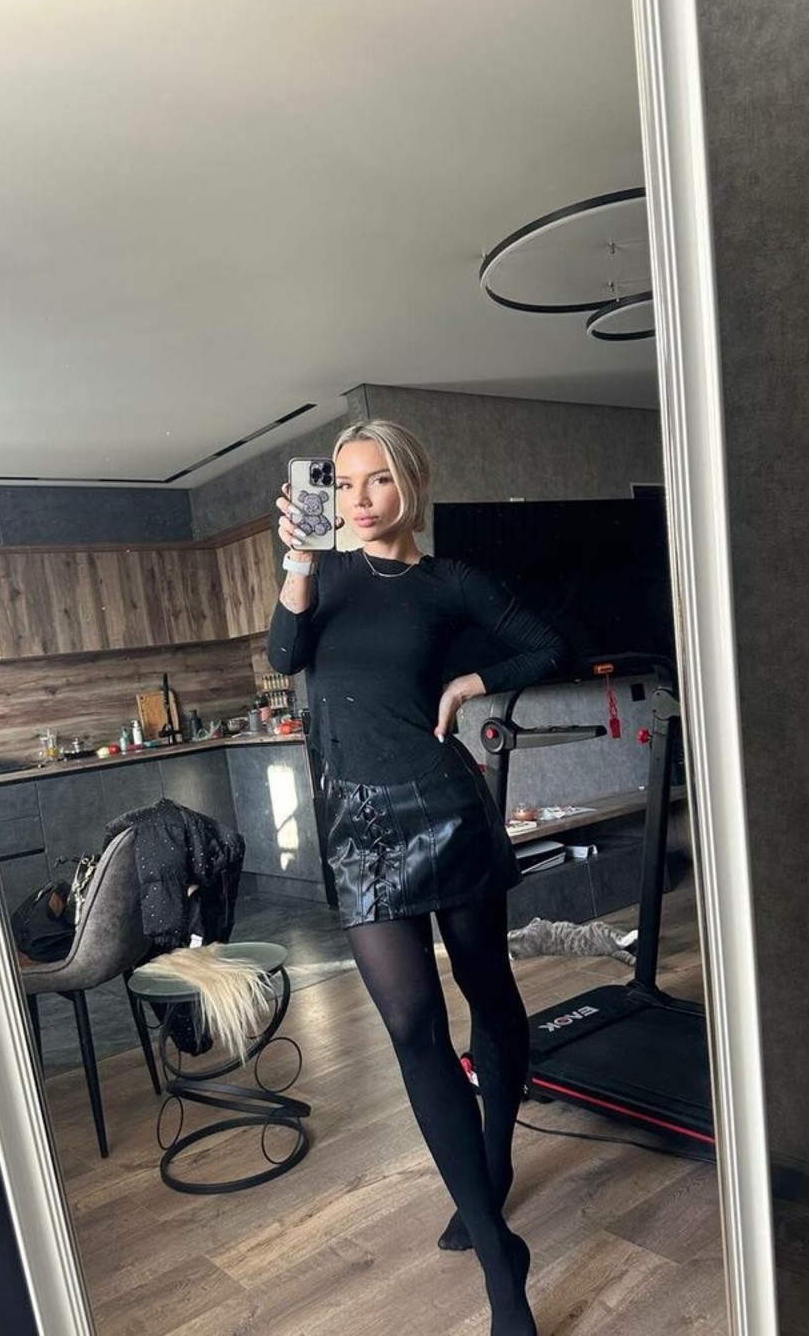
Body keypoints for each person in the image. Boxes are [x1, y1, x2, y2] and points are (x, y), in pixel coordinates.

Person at [267, 420, 568, 1336]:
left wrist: (469, 681)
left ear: (412, 486)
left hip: (444, 809)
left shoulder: (450, 582)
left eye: (378, 482)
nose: (358, 500)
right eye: (344, 483)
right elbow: (284, 655)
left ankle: (494, 1161)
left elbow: (548, 646)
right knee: (411, 1026)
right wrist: (297, 560)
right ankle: (500, 1255)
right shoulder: (325, 576)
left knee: (488, 989)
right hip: (357, 829)